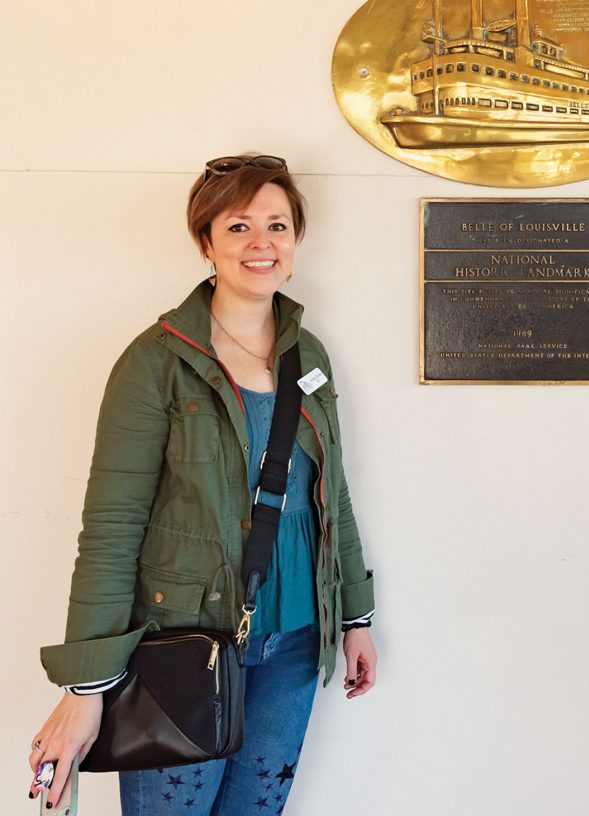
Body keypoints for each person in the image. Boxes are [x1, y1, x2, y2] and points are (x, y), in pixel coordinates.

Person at [29, 154, 377, 814]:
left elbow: (333, 495)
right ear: (206, 241)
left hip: (297, 643)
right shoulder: (154, 364)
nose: (261, 245)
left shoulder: (310, 357)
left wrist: (354, 615)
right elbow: (111, 527)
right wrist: (86, 687)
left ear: (296, 240)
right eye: (239, 227)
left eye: (277, 226)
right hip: (186, 652)